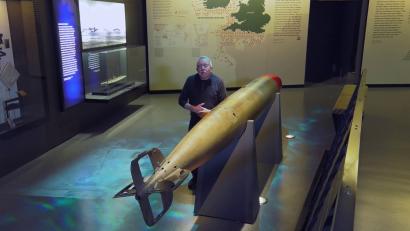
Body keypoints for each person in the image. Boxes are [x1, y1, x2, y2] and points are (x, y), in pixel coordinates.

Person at [178, 56, 227, 193]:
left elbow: (225, 105)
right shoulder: (190, 81)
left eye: (205, 65)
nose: (202, 68)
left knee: (212, 151)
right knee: (194, 152)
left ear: (211, 67)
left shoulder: (218, 82)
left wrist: (210, 113)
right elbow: (181, 101)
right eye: (199, 66)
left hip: (213, 123)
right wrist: (193, 108)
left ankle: (212, 176)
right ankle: (196, 177)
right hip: (195, 123)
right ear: (196, 69)